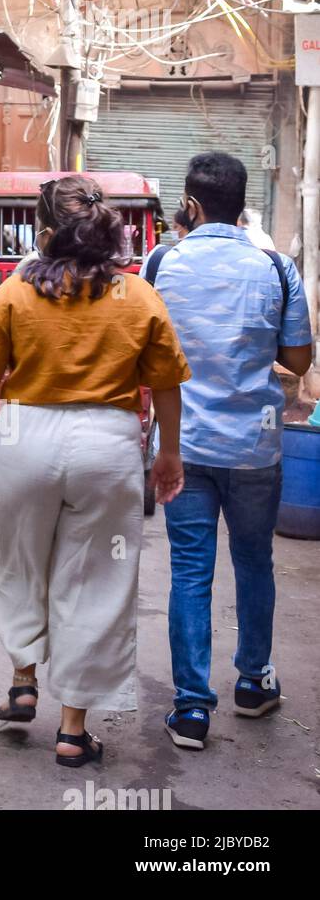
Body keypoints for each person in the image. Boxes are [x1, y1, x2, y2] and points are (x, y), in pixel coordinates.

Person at [0, 175, 190, 767]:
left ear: (45, 233)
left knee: (22, 559)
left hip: (26, 438)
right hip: (108, 444)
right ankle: (73, 729)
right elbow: (167, 383)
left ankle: (24, 678)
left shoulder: (15, 294)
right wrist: (168, 451)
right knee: (96, 579)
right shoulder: (138, 296)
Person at [146, 153, 312, 749]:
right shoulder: (275, 265)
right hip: (254, 448)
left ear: (190, 206)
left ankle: (191, 709)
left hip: (181, 445)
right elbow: (297, 361)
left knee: (190, 570)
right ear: (242, 206)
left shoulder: (163, 261)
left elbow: (145, 346)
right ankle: (252, 683)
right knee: (253, 561)